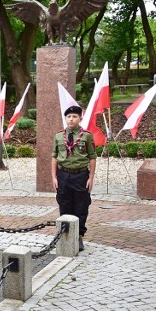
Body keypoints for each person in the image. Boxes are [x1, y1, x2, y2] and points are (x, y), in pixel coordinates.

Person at [51, 105, 96, 251]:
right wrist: (54, 177)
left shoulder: (87, 136)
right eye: (69, 117)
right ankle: (66, 235)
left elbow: (92, 157)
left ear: (80, 118)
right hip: (63, 175)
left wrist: (91, 177)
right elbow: (54, 157)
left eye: (74, 116)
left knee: (81, 206)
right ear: (66, 119)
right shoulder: (58, 136)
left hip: (80, 175)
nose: (71, 119)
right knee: (64, 204)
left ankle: (79, 236)